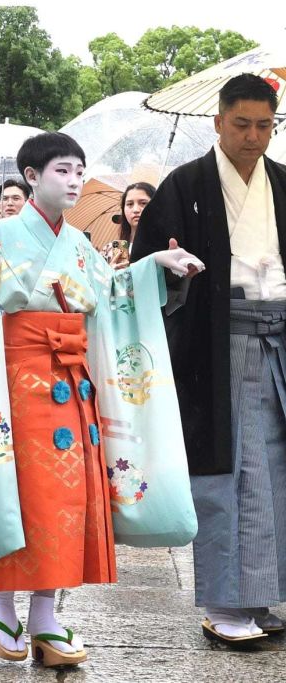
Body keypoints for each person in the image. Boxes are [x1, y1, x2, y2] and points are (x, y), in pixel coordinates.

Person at [0, 132, 202, 666]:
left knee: (65, 499)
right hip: (15, 387)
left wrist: (154, 268)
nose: (75, 180)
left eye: (78, 170)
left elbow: (108, 293)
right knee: (20, 492)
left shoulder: (79, 244)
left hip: (73, 388)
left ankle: (43, 616)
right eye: (63, 170)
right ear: (32, 176)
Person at [131, 73, 286, 645]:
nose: (252, 136)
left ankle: (263, 598)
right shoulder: (184, 185)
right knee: (230, 474)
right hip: (217, 347)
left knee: (275, 474)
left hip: (280, 339)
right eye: (241, 124)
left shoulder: (283, 184)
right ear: (217, 122)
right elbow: (144, 268)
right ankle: (224, 604)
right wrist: (171, 274)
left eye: (264, 125)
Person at [102, 182, 156, 269]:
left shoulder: (165, 248)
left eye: (143, 203)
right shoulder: (111, 249)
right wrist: (110, 273)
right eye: (130, 204)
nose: (136, 210)